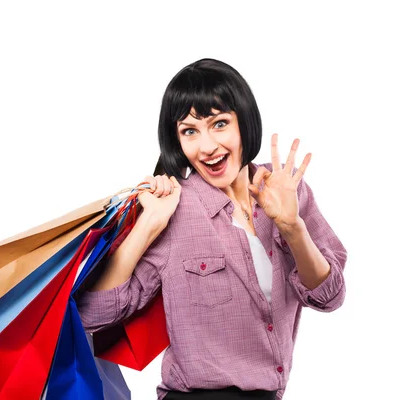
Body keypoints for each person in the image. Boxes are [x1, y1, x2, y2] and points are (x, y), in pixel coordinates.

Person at [76, 58, 348, 400]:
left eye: (219, 124)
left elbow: (330, 296)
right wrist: (148, 225)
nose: (206, 146)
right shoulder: (177, 209)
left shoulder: (286, 191)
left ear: (243, 123)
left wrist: (293, 228)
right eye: (190, 131)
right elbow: (91, 315)